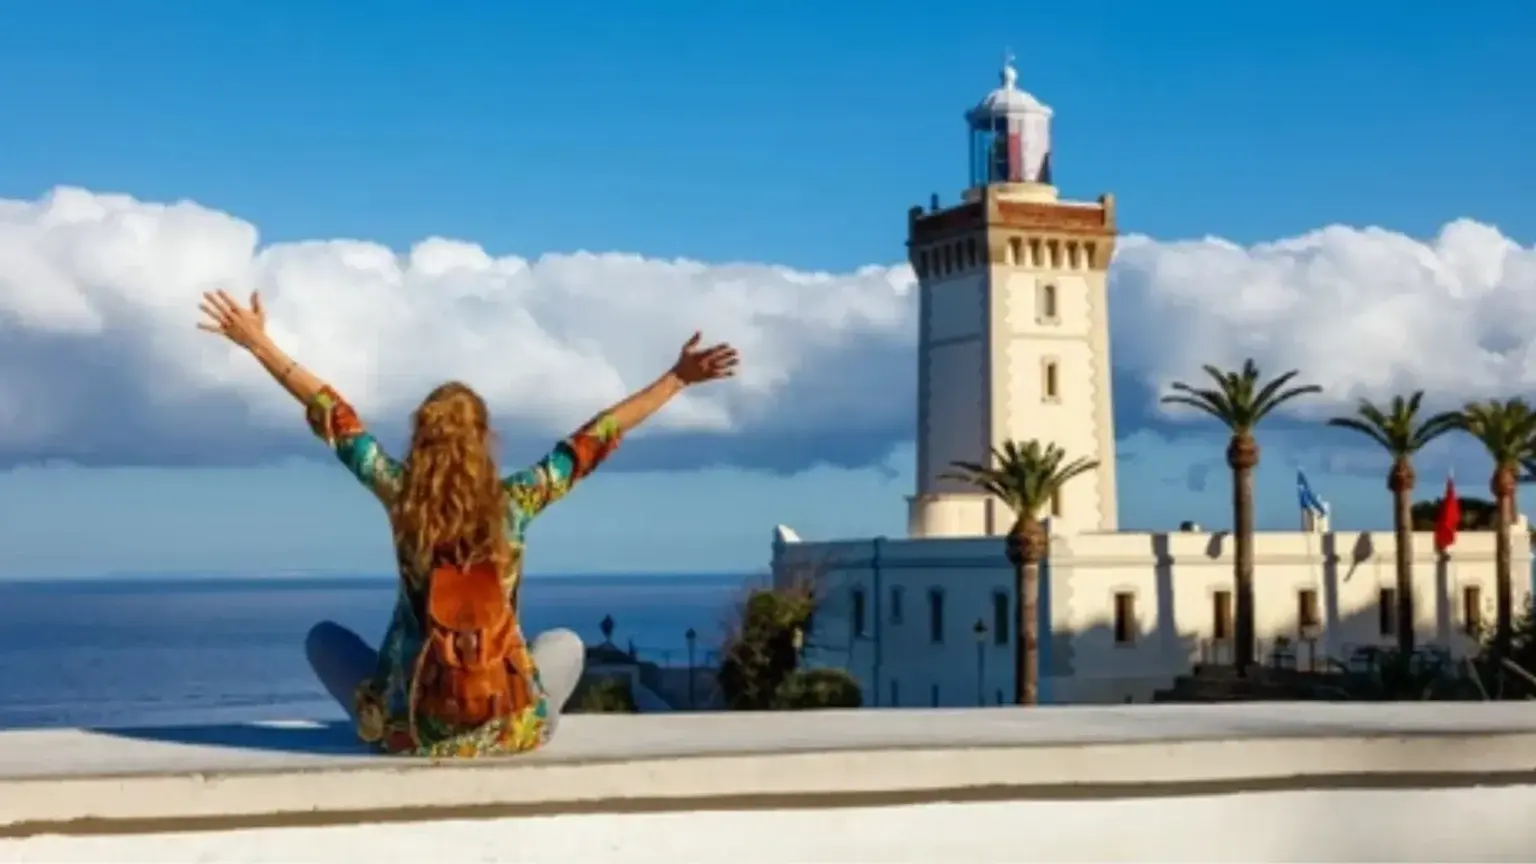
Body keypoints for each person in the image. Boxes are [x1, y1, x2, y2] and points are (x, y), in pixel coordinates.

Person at [197, 289, 738, 756]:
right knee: (568, 644)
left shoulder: (401, 495)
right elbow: (596, 438)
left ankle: (387, 712)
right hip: (509, 730)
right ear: (483, 441)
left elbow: (335, 416)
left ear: (421, 438)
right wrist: (677, 379)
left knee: (323, 640)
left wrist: (259, 344)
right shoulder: (519, 501)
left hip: (405, 732)